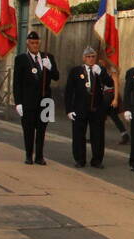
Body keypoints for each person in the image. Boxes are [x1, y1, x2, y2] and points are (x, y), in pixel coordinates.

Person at [11, 31, 58, 166]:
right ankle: (28, 155)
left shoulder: (48, 57)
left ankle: (39, 156)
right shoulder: (21, 59)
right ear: (27, 44)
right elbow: (17, 83)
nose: (35, 45)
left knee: (42, 129)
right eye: (32, 43)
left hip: (45, 100)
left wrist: (49, 67)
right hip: (28, 100)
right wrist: (18, 102)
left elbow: (56, 77)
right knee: (29, 129)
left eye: (37, 43)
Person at [65, 47, 113, 168]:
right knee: (79, 135)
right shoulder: (76, 71)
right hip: (80, 108)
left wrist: (101, 73)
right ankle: (80, 159)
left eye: (93, 57)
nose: (91, 59)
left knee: (97, 136)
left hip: (97, 108)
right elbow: (69, 91)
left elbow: (110, 83)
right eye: (88, 57)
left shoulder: (99, 69)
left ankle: (97, 160)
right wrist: (69, 109)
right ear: (83, 58)